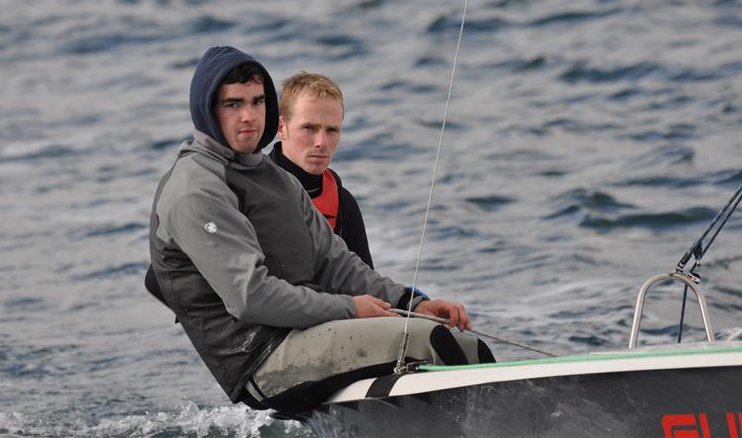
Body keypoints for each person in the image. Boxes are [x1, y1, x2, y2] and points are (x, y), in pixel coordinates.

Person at [148, 45, 494, 413]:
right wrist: (349, 309)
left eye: (257, 101)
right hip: (263, 361)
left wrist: (414, 302)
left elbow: (338, 264)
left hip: (312, 334)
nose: (249, 116)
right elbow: (249, 295)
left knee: (465, 343)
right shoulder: (195, 187)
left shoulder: (278, 180)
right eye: (233, 104)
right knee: (430, 341)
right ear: (208, 109)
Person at [270, 72, 373, 268]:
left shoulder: (344, 203)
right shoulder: (251, 191)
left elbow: (367, 285)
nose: (322, 143)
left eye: (332, 130)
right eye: (309, 128)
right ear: (281, 127)